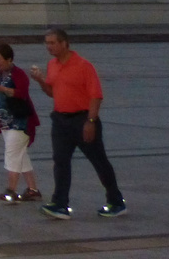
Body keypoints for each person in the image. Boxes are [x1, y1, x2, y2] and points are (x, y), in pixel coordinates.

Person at [30, 28, 126, 219]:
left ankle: (116, 201)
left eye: (52, 43)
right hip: (60, 120)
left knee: (99, 161)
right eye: (47, 43)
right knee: (61, 161)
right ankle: (60, 203)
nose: (49, 47)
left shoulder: (83, 66)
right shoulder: (52, 65)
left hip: (82, 120)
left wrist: (91, 121)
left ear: (64, 43)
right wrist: (40, 80)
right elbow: (52, 92)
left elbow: (96, 96)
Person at [0, 43, 41, 202]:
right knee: (21, 156)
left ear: (9, 59)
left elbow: (21, 93)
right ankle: (33, 189)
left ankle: (11, 190)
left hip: (19, 122)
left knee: (12, 155)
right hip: (4, 123)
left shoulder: (18, 74)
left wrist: (0, 89)